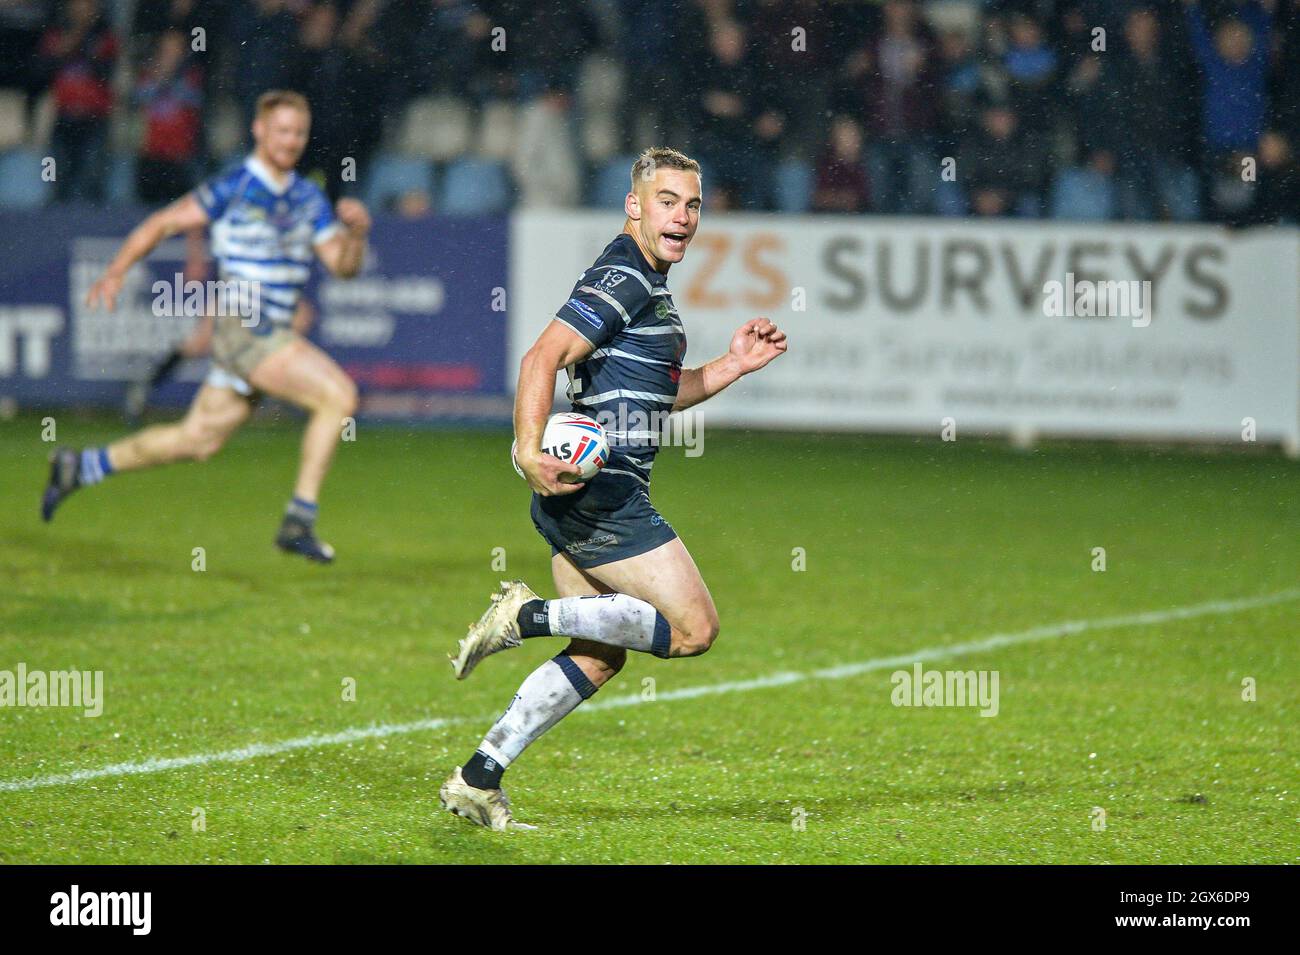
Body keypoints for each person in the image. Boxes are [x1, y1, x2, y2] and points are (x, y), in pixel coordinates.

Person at [439, 147, 788, 830]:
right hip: (605, 498)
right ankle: (525, 616)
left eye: (692, 203)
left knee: (599, 656)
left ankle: (478, 779)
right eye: (667, 200)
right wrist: (528, 450)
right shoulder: (623, 274)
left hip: (582, 495)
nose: (682, 215)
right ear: (635, 204)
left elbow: (660, 393)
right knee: (695, 629)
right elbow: (543, 356)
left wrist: (732, 365)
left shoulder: (646, 282)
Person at [42, 90, 369, 564]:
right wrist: (116, 270)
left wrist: (356, 235)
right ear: (259, 130)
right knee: (338, 395)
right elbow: (164, 222)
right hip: (246, 325)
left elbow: (342, 266)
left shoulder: (307, 197)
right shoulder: (234, 185)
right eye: (281, 130)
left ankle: (81, 466)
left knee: (197, 440)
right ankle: (298, 519)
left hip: (272, 330)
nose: (291, 140)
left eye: (298, 132)